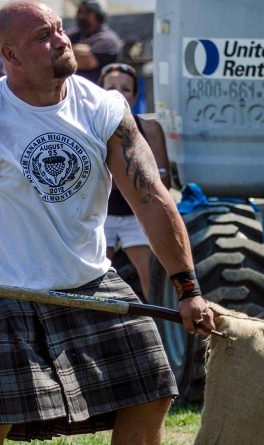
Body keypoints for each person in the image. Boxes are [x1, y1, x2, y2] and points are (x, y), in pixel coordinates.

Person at [0, 1, 215, 443]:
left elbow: (151, 200)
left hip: (90, 282)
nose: (61, 40)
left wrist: (188, 289)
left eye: (59, 29)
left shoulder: (103, 108)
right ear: (10, 55)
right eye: (43, 36)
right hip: (10, 291)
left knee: (153, 389)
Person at [100, 62, 170, 301]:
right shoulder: (92, 128)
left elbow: (164, 180)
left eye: (126, 89)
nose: (119, 94)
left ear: (135, 95)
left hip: (136, 216)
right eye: (111, 88)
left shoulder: (150, 129)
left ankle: (158, 328)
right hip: (103, 215)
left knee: (150, 277)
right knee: (93, 276)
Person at [68, 0, 121, 84]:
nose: (79, 15)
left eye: (83, 11)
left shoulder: (107, 39)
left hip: (98, 92)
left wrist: (64, 53)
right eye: (79, 11)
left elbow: (87, 62)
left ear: (95, 15)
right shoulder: (74, 36)